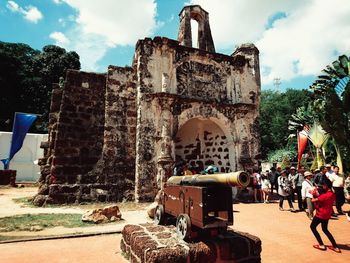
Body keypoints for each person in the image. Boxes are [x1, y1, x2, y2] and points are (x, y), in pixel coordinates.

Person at [310, 178, 341, 253]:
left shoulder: (325, 195)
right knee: (325, 229)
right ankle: (335, 246)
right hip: (327, 214)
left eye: (323, 185)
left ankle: (321, 245)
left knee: (312, 227)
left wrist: (314, 194)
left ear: (326, 186)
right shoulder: (332, 194)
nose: (322, 187)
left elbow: (313, 200)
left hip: (320, 214)